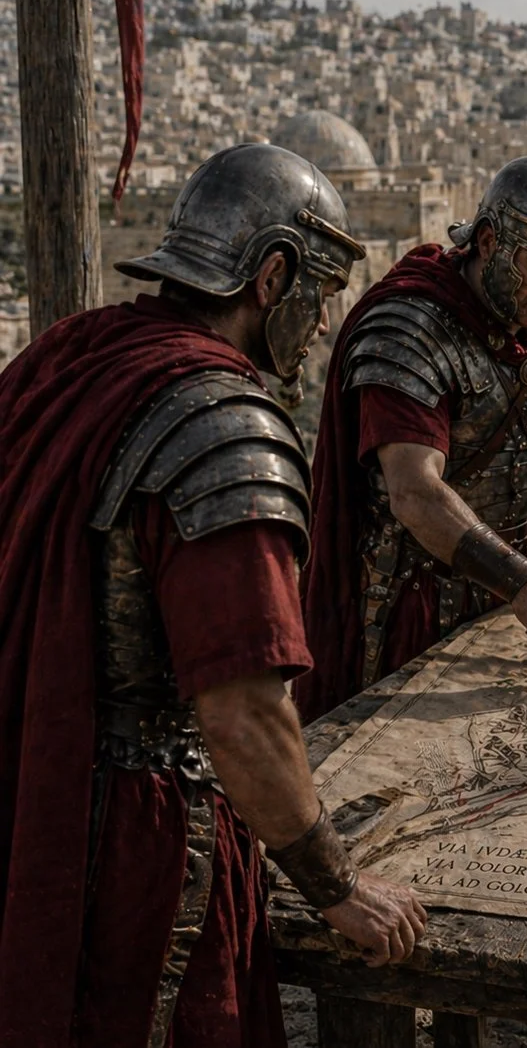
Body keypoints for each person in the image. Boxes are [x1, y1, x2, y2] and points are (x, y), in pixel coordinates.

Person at [0, 144, 426, 1047]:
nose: (321, 321)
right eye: (320, 290)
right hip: (139, 841)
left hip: (32, 777)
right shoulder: (224, 429)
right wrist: (339, 887)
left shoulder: (65, 356)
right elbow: (243, 710)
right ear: (272, 276)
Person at [300, 153, 527, 719]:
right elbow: (414, 490)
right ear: (490, 242)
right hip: (411, 598)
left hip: (515, 593)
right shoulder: (411, 332)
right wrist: (523, 583)